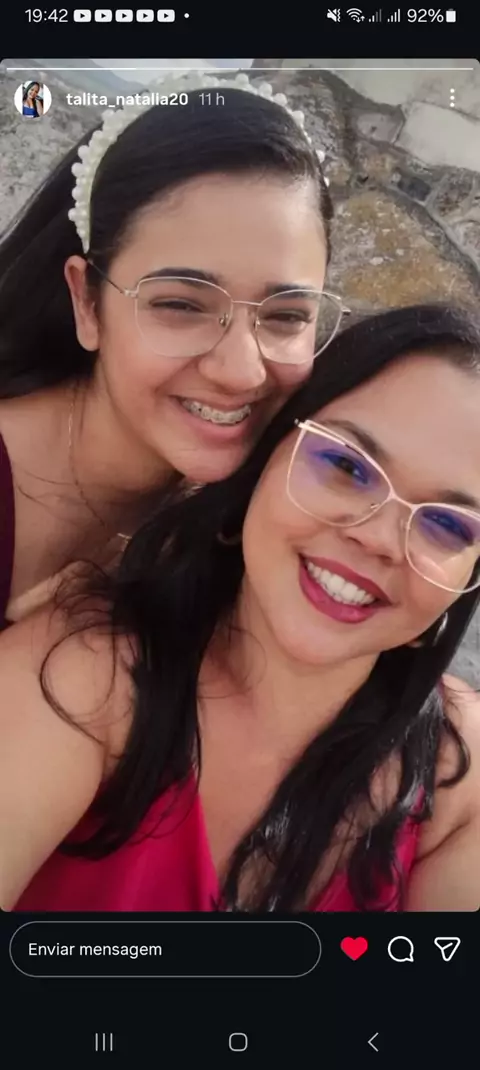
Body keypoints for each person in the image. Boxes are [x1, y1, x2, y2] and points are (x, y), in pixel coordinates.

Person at [2, 303, 480, 914]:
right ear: (263, 464)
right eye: (345, 465)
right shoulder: (81, 675)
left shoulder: (457, 776)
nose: (377, 538)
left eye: (447, 525)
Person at [0, 72, 338, 627]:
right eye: (182, 305)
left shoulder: (252, 516)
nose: (241, 372)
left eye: (285, 316)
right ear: (87, 302)